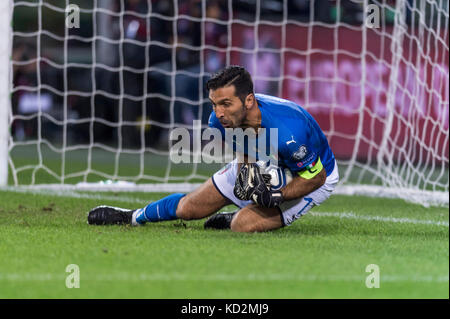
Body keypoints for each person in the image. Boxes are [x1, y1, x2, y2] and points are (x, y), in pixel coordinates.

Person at [87, 66, 339, 232]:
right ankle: (132, 216)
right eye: (214, 103)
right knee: (188, 208)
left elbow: (316, 177)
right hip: (266, 157)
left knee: (242, 225)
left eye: (226, 104)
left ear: (249, 100)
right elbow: (246, 146)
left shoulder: (289, 132)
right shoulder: (219, 121)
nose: (219, 112)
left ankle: (235, 216)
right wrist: (247, 172)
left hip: (312, 175)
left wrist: (277, 195)